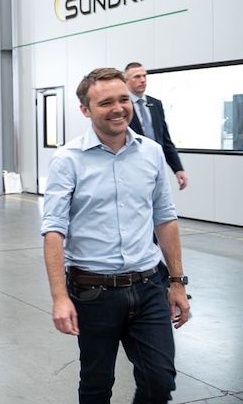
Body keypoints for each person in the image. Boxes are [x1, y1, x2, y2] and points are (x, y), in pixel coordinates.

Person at [41, 68, 190, 404]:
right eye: (106, 102)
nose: (119, 108)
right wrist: (59, 297)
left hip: (150, 286)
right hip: (93, 292)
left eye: (123, 99)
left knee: (160, 380)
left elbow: (165, 218)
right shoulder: (68, 160)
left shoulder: (151, 152)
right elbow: (53, 231)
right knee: (96, 385)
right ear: (85, 110)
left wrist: (178, 282)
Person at [124, 62, 188, 190]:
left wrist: (178, 169)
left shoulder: (155, 104)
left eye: (144, 76)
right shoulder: (122, 105)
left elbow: (165, 140)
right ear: (126, 81)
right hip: (131, 168)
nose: (142, 80)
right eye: (137, 77)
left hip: (156, 165)